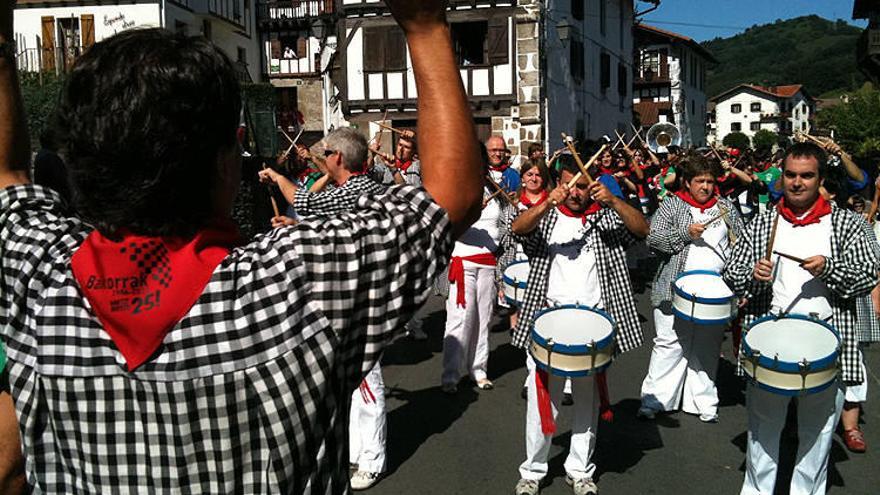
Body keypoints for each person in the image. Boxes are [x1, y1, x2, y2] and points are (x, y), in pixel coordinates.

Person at [0, 2, 485, 492]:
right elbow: (452, 198)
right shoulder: (296, 282)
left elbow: (8, 178)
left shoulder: (40, 280)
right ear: (225, 158)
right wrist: (424, 25)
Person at [722, 143, 880, 495]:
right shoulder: (764, 221)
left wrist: (830, 269)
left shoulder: (848, 224)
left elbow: (868, 274)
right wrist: (752, 272)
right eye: (790, 175)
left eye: (806, 176)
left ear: (820, 179)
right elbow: (730, 274)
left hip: (828, 343)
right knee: (763, 429)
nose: (796, 183)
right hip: (770, 341)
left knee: (818, 432)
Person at [509, 157, 648, 495]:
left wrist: (614, 200)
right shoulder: (549, 216)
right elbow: (517, 229)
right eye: (569, 185)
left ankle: (580, 469)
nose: (575, 193)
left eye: (582, 186)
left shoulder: (606, 217)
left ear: (592, 186)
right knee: (543, 400)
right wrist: (545, 202)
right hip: (549, 320)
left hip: (594, 322)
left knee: (587, 401)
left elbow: (643, 230)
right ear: (559, 183)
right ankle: (533, 470)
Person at [638, 154, 744, 423]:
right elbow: (654, 241)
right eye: (700, 181)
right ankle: (656, 399)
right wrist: (685, 234)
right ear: (686, 182)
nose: (706, 187)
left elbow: (741, 245)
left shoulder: (726, 208)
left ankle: (703, 401)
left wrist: (736, 282)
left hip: (715, 290)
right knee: (669, 343)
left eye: (710, 181)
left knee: (707, 347)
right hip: (674, 287)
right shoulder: (672, 206)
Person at [442, 172, 515, 393]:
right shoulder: (456, 189)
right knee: (460, 318)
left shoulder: (495, 191)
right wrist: (472, 213)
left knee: (484, 319)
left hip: (489, 262)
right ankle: (450, 375)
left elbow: (505, 224)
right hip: (463, 262)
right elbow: (448, 226)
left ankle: (479, 370)